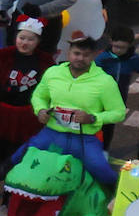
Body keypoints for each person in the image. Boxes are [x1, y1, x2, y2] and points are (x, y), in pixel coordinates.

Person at [20, 34, 126, 190]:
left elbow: (119, 112)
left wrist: (92, 118)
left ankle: (118, 195)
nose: (80, 58)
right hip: (52, 133)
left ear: (93, 56)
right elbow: (39, 96)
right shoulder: (53, 73)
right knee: (22, 156)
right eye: (77, 53)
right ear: (69, 53)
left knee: (102, 171)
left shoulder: (105, 81)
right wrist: (41, 110)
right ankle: (3, 182)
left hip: (85, 138)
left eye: (86, 55)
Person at [0, 17, 54, 197]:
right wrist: (4, 90)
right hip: (3, 115)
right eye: (22, 38)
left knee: (17, 158)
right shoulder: (3, 56)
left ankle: (8, 201)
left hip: (28, 118)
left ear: (38, 41)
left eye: (31, 39)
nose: (25, 43)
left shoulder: (46, 62)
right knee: (1, 154)